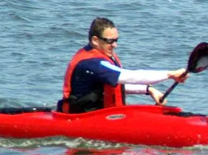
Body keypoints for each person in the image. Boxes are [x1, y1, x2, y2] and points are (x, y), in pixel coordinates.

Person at [58, 17, 188, 113]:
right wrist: (170, 74)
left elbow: (116, 85)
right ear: (95, 40)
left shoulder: (104, 57)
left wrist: (149, 90)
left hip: (103, 114)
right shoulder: (91, 63)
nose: (115, 45)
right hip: (82, 117)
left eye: (116, 40)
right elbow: (128, 76)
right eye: (110, 41)